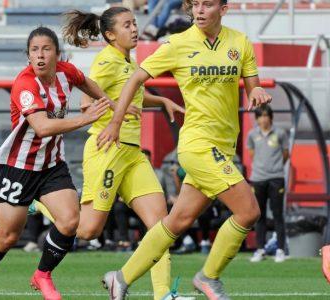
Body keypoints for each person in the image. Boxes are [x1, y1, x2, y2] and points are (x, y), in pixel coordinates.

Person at [102, 0, 272, 298]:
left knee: (176, 222)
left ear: (224, 9)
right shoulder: (178, 44)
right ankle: (209, 277)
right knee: (249, 211)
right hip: (197, 145)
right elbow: (136, 79)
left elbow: (251, 85)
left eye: (208, 4)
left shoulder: (240, 42)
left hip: (222, 147)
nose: (200, 11)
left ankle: (121, 277)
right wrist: (116, 121)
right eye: (195, 5)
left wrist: (255, 89)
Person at [0, 26, 114, 300]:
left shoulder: (65, 71)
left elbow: (85, 81)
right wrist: (87, 118)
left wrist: (111, 105)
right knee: (7, 237)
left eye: (46, 49)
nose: (41, 55)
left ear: (57, 54)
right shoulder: (25, 85)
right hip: (18, 168)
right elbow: (43, 128)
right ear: (28, 56)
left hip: (51, 165)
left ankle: (42, 274)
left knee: (70, 221)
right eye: (35, 50)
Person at [49, 7, 185, 300]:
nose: (134, 29)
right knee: (87, 231)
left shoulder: (127, 60)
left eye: (135, 23)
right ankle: (43, 206)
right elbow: (87, 103)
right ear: (110, 35)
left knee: (161, 226)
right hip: (107, 149)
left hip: (133, 153)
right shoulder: (106, 62)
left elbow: (130, 96)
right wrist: (114, 110)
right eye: (127, 25)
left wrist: (160, 101)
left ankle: (162, 294)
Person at [247, 104, 289, 263]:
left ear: (271, 117)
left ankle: (280, 250)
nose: (263, 119)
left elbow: (285, 154)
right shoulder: (252, 135)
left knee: (278, 214)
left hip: (276, 178)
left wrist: (275, 168)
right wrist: (262, 168)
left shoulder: (280, 133)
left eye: (266, 116)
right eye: (260, 116)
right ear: (257, 118)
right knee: (259, 215)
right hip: (258, 178)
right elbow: (253, 155)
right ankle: (260, 249)